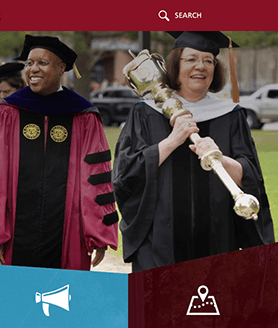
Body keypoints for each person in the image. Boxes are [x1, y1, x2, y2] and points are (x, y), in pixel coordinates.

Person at [112, 31, 274, 272]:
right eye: (191, 59)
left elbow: (251, 177)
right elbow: (124, 174)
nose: (201, 66)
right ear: (175, 65)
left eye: (208, 60)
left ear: (215, 69)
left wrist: (221, 158)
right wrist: (171, 141)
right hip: (159, 245)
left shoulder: (231, 115)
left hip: (218, 242)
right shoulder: (145, 114)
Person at [0, 35, 118, 270]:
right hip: (13, 235)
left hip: (68, 233)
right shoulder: (8, 113)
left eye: (42, 63)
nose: (33, 69)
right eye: (29, 63)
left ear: (61, 68)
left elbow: (96, 179)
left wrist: (99, 232)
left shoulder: (84, 116)